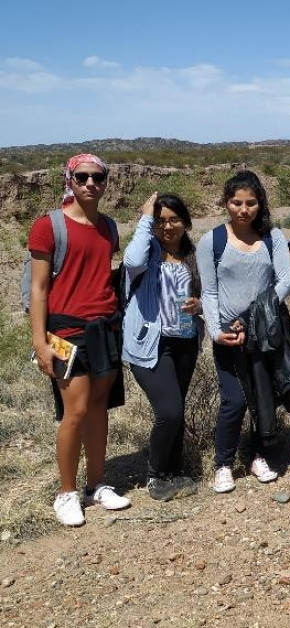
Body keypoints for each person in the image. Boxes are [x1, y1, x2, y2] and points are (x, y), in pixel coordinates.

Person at [28, 153, 131, 526]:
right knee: (75, 410)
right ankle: (66, 492)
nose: (91, 184)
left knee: (99, 406)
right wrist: (40, 341)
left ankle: (97, 484)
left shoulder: (108, 226)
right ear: (69, 180)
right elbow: (39, 289)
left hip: (105, 326)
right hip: (65, 331)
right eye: (83, 177)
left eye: (98, 177)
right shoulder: (48, 226)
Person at [197, 170, 290, 494]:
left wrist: (253, 316)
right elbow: (209, 292)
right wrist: (215, 331)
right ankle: (224, 463)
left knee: (264, 397)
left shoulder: (273, 237)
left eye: (250, 202)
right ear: (226, 202)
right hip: (229, 335)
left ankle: (258, 456)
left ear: (259, 203)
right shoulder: (212, 242)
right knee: (235, 401)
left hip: (263, 330)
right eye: (236, 202)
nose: (243, 209)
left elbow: (284, 281)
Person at [122, 192, 203, 502]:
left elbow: (209, 293)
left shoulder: (193, 254)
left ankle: (174, 470)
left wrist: (199, 306)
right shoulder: (147, 252)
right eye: (160, 221)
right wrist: (145, 219)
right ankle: (156, 475)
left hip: (185, 341)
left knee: (177, 409)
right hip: (148, 343)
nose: (167, 227)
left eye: (174, 220)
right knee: (169, 410)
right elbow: (132, 261)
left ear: (185, 222)